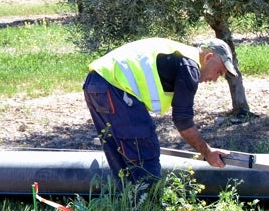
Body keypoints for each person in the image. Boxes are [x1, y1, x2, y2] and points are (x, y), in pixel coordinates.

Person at [84, 37, 237, 188]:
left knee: (119, 153)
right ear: (209, 57)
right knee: (144, 150)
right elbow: (183, 120)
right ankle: (149, 205)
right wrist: (208, 152)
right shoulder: (189, 66)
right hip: (115, 86)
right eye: (218, 71)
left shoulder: (178, 56)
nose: (215, 79)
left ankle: (129, 206)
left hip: (95, 84)